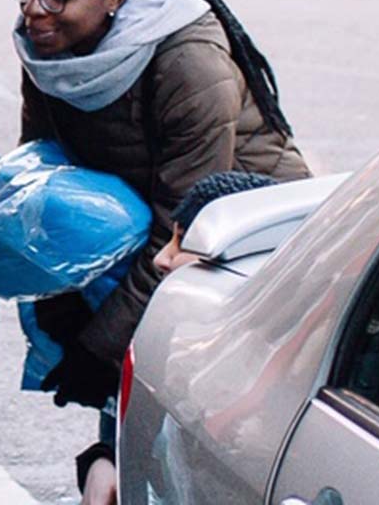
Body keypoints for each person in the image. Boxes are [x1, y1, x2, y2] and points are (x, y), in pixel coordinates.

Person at [7, 0, 311, 504]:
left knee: (192, 429)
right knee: (123, 417)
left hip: (242, 247)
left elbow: (186, 235)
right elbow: (45, 176)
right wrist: (59, 293)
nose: (34, 8)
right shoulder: (49, 46)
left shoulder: (188, 61)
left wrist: (99, 347)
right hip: (148, 233)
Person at [78, 170, 281, 505]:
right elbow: (135, 440)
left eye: (185, 242)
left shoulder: (279, 369)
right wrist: (104, 461)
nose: (162, 259)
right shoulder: (172, 337)